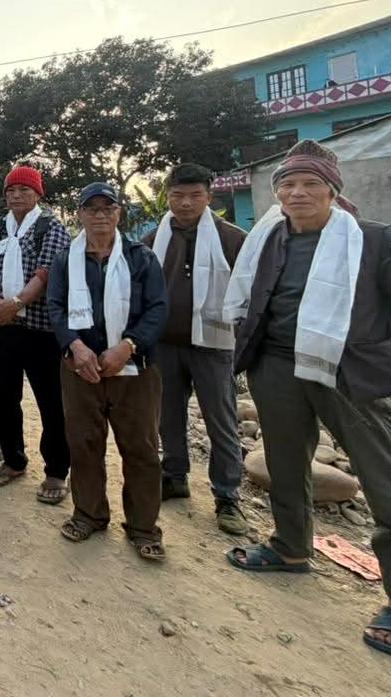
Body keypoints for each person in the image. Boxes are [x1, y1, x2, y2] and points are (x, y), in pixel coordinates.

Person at [223, 139, 391, 659]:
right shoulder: (269, 239)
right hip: (277, 368)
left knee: (386, 482)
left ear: (333, 191)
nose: (297, 193)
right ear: (277, 194)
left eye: (310, 184)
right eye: (288, 185)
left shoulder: (375, 241)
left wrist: (382, 366)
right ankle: (291, 548)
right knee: (284, 462)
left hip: (348, 375)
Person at [47, 182, 168, 563]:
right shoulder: (66, 260)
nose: (99, 215)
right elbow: (55, 307)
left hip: (135, 370)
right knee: (83, 444)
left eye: (107, 208)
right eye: (91, 208)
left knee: (141, 447)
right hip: (80, 369)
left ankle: (144, 527)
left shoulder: (141, 258)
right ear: (80, 214)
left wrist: (128, 345)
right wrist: (75, 346)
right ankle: (89, 514)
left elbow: (158, 309)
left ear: (119, 213)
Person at [140, 163, 248, 535]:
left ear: (209, 196)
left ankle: (228, 495)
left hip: (214, 346)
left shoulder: (232, 239)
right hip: (165, 344)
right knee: (168, 417)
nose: (185, 203)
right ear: (167, 197)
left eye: (194, 195)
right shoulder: (153, 239)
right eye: (177, 195)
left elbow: (248, 294)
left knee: (221, 421)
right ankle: (174, 476)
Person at [0, 166, 72, 497]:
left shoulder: (51, 227)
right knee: (3, 397)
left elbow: (47, 272)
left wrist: (15, 304)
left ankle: (56, 470)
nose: (16, 195)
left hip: (39, 330)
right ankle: (13, 460)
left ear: (38, 194)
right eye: (11, 190)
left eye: (24, 190)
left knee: (51, 402)